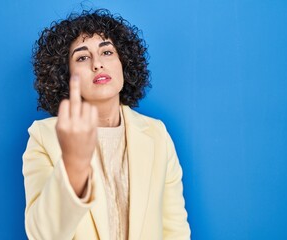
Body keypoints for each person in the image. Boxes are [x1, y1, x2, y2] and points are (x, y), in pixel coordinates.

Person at [22, 9, 190, 240]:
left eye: (107, 52)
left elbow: (175, 230)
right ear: (64, 74)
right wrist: (74, 165)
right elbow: (42, 234)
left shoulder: (157, 134)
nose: (98, 64)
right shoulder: (44, 137)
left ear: (124, 63)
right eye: (82, 57)